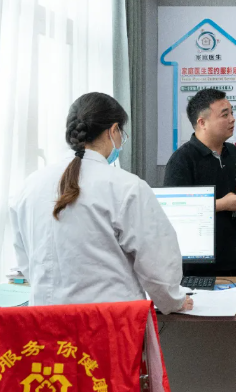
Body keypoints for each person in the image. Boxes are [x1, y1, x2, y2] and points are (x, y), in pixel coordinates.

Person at [10, 92, 192, 314]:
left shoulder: (29, 186)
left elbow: (27, 263)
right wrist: (173, 301)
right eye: (121, 133)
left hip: (46, 322)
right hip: (109, 323)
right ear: (113, 130)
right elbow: (157, 265)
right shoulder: (127, 187)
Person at [164, 88, 236, 276]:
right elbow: (176, 210)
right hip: (197, 265)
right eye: (225, 115)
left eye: (232, 113)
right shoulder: (182, 159)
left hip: (233, 257)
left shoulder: (233, 152)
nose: (232, 119)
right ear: (202, 123)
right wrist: (223, 204)